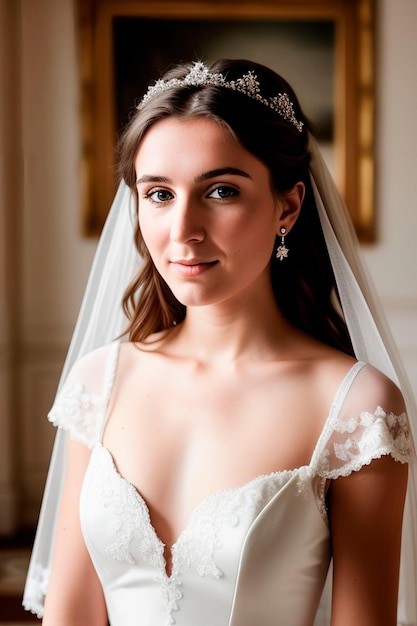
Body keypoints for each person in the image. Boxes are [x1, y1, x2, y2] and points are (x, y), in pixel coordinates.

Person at [23, 59, 416, 625]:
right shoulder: (99, 382)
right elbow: (72, 615)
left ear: (289, 205)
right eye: (158, 194)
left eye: (221, 190)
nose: (182, 229)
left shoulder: (355, 406)